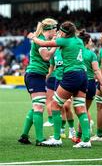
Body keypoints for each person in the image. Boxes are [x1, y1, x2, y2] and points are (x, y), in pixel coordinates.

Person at [28, 21, 98, 148]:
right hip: (84, 75)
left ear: (65, 33)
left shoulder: (64, 41)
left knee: (55, 105)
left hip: (71, 75)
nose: (58, 33)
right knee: (80, 107)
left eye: (60, 31)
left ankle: (56, 138)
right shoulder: (78, 41)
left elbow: (43, 43)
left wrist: (33, 37)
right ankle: (86, 140)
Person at [18, 18, 58, 146]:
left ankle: (24, 135)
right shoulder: (41, 40)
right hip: (35, 75)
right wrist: (55, 45)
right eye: (55, 28)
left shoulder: (42, 39)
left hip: (36, 75)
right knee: (39, 107)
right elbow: (46, 56)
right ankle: (40, 139)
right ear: (50, 29)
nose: (56, 31)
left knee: (36, 106)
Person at [72, 29, 102, 143]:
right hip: (91, 84)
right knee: (84, 110)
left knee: (80, 111)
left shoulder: (74, 52)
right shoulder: (91, 54)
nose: (92, 42)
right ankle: (79, 136)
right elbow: (97, 71)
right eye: (91, 40)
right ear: (86, 42)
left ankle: (81, 137)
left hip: (78, 83)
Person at [44, 49, 76, 140]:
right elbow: (51, 68)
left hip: (67, 80)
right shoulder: (55, 52)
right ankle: (62, 130)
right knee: (59, 106)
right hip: (57, 81)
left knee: (67, 106)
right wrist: (45, 78)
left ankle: (71, 129)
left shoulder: (68, 49)